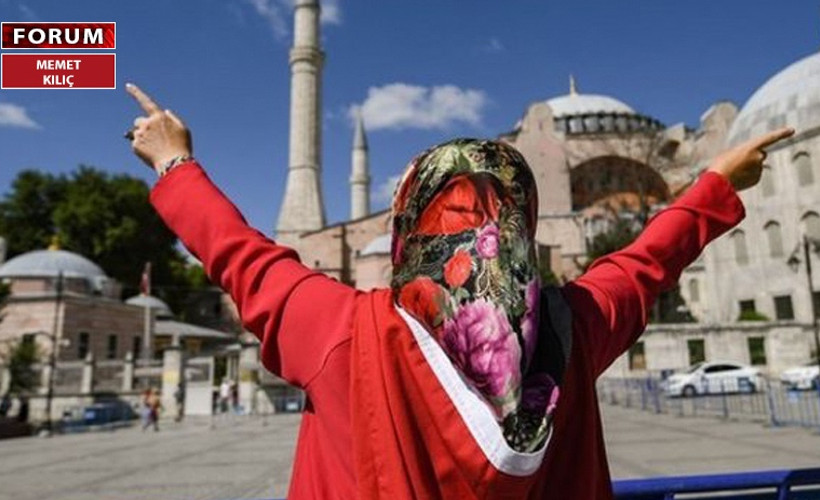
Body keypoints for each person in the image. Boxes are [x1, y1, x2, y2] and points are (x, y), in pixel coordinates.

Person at [126, 83, 793, 499]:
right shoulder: (577, 327)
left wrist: (174, 162)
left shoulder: (340, 330)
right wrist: (716, 185)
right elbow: (646, 262)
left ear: (409, 221)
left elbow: (240, 256)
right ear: (520, 223)